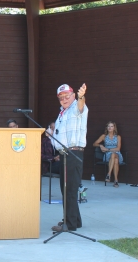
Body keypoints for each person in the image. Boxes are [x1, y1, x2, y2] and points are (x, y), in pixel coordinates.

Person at [51, 83, 88, 232]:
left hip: (73, 153)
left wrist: (82, 96)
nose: (64, 99)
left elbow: (81, 106)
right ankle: (75, 220)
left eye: (67, 96)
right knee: (67, 189)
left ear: (73, 96)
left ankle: (69, 224)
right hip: (65, 155)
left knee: (69, 190)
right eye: (61, 97)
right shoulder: (62, 112)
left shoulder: (76, 109)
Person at [92, 121, 123, 187]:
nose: (110, 128)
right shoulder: (104, 136)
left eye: (111, 126)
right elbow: (94, 144)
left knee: (114, 155)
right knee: (115, 159)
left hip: (116, 153)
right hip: (108, 155)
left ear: (114, 128)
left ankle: (108, 174)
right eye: (108, 126)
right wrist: (100, 145)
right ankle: (116, 181)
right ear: (106, 128)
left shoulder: (118, 137)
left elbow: (118, 148)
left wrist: (108, 149)